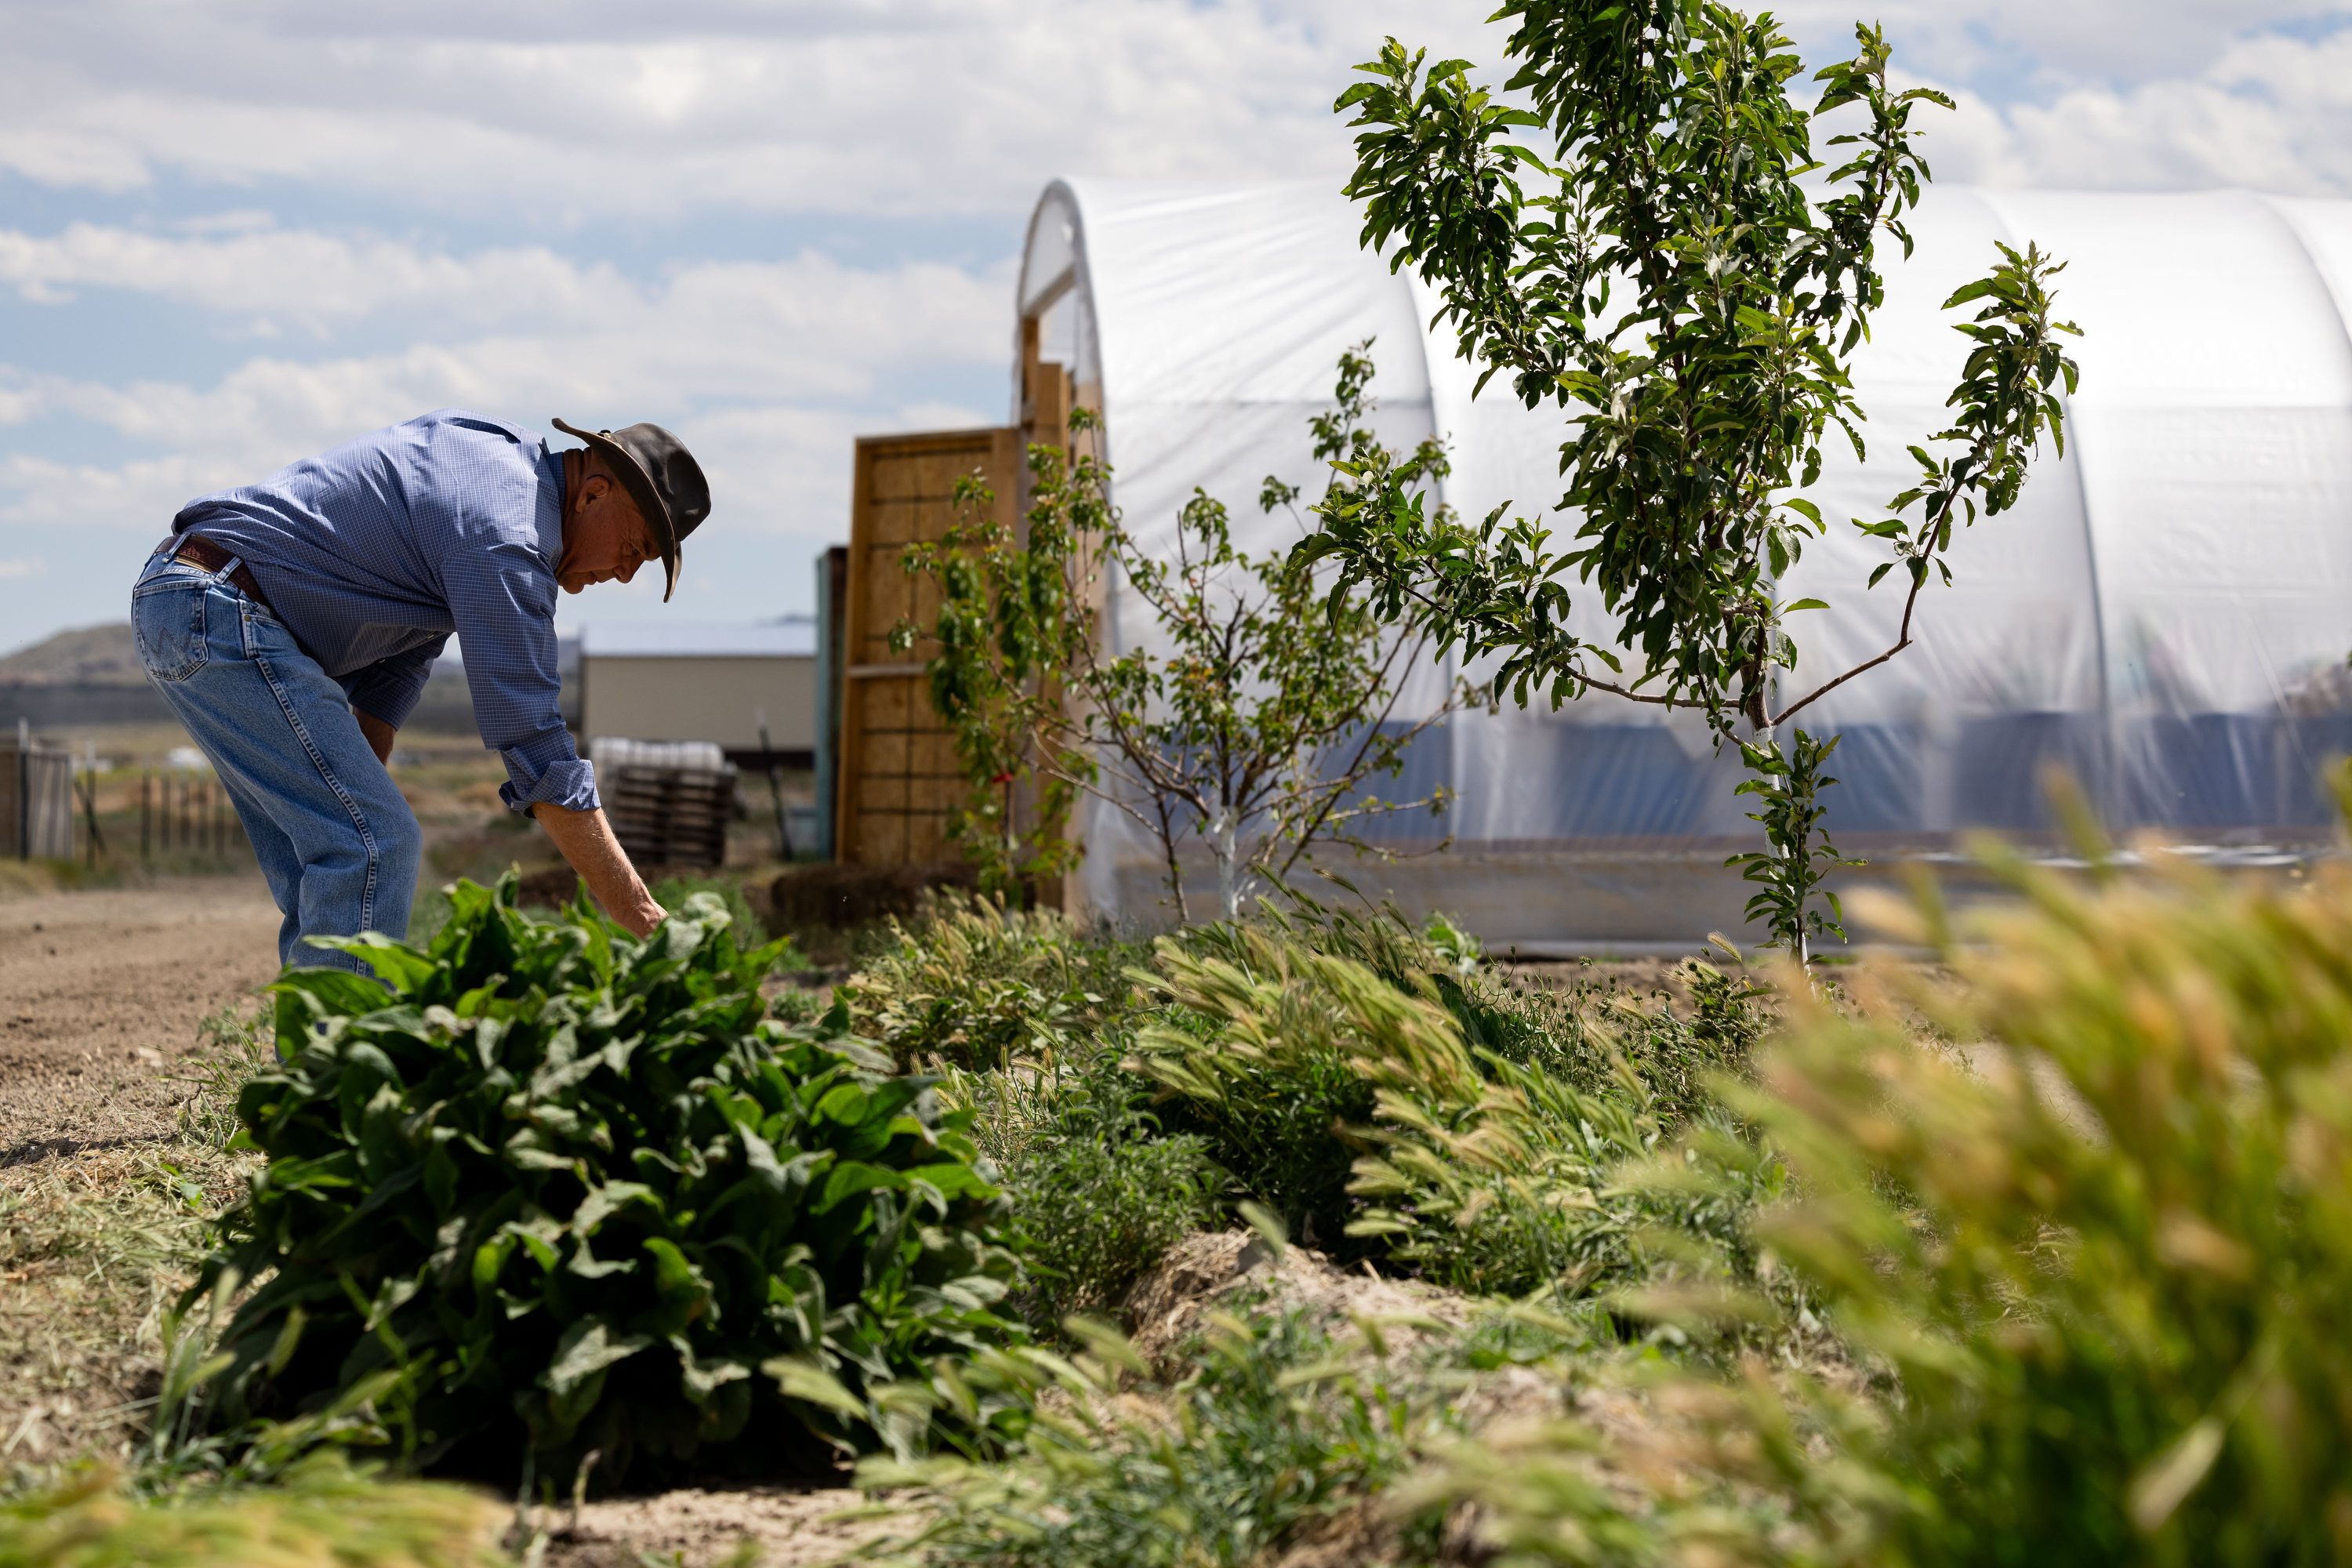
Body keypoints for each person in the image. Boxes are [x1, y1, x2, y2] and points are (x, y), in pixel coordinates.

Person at [129, 409, 710, 973]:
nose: (625, 574)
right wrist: (640, 914)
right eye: (633, 549)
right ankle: (337, 1065)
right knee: (375, 845)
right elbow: (534, 743)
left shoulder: (495, 460)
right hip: (224, 610)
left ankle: (310, 1059)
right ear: (593, 494)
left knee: (336, 852)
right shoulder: (508, 537)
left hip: (192, 598)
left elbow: (398, 663)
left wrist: (355, 787)